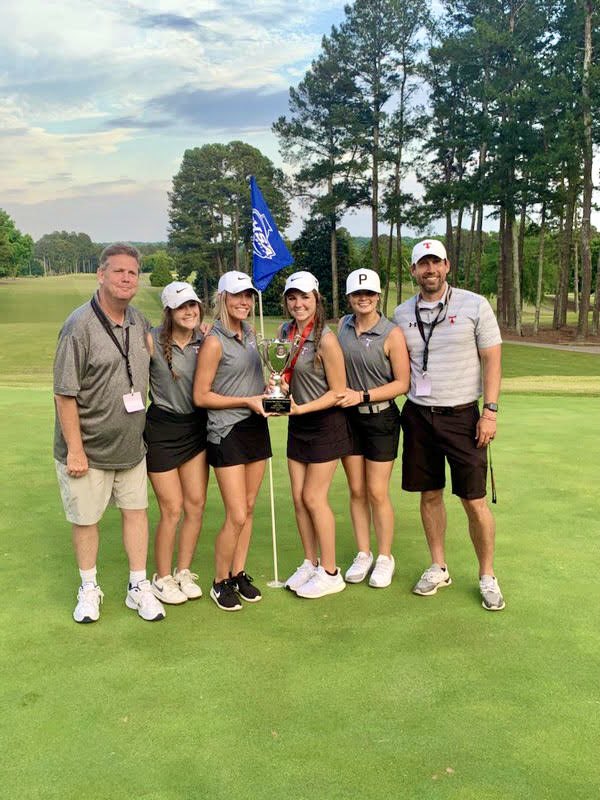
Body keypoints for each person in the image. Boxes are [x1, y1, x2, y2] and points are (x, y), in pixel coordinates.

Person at [54, 242, 165, 623]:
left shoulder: (139, 321)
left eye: (132, 272)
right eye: (118, 271)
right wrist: (75, 450)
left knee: (137, 513)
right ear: (101, 275)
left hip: (132, 446)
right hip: (88, 448)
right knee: (86, 520)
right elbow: (65, 394)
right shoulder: (78, 326)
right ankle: (89, 587)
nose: (126, 278)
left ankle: (138, 586)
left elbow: (158, 352)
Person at [393, 239, 505, 611]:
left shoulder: (475, 304)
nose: (430, 270)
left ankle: (487, 574)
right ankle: (438, 565)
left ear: (447, 265)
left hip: (463, 416)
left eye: (435, 263)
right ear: (413, 271)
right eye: (422, 264)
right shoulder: (401, 314)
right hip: (419, 415)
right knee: (429, 495)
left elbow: (492, 361)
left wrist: (490, 412)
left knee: (473, 501)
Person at [193, 271, 271, 612]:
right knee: (236, 513)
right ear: (222, 298)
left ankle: (238, 573)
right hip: (227, 429)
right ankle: (219, 580)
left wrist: (268, 393)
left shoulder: (252, 334)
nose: (245, 302)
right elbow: (201, 395)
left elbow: (251, 380)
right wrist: (246, 401)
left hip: (256, 425)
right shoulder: (214, 341)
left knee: (250, 507)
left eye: (249, 296)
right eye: (238, 296)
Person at [279, 271, 353, 599]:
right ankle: (310, 562)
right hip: (299, 424)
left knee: (313, 497)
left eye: (304, 297)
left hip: (326, 424)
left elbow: (339, 391)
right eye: (292, 297)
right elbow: (286, 374)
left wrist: (299, 409)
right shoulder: (285, 332)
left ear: (316, 299)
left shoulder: (326, 338)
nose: (298, 303)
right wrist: (279, 387)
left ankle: (331, 571)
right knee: (298, 498)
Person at [336, 268, 410, 588]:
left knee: (377, 492)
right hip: (349, 419)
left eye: (369, 294)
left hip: (381, 418)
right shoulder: (342, 326)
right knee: (356, 490)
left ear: (378, 296)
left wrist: (362, 395)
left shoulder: (391, 333)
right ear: (350, 298)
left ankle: (384, 556)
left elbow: (402, 383)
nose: (363, 299)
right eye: (357, 294)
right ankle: (363, 552)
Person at [145, 281, 208, 605]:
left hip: (195, 430)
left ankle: (183, 571)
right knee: (172, 509)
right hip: (162, 431)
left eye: (193, 305)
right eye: (182, 307)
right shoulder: (152, 340)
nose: (190, 311)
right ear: (169, 311)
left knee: (195, 505)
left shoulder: (206, 339)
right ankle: (163, 577)